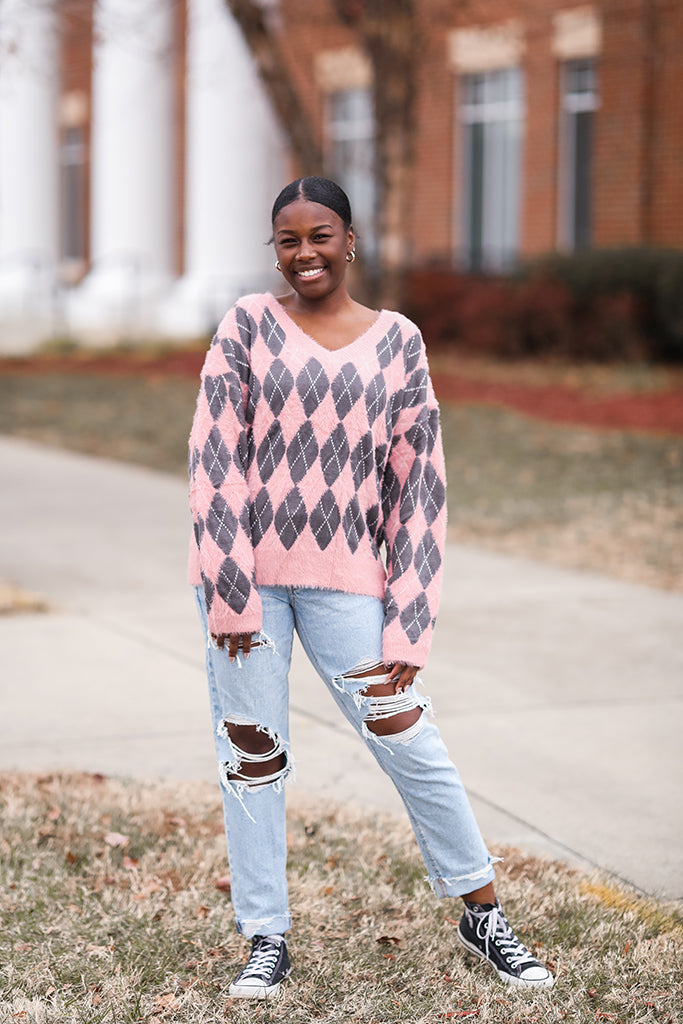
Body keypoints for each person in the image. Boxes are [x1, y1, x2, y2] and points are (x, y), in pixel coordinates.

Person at [188, 176, 554, 999]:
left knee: (410, 742)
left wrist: (408, 627)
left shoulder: (397, 342)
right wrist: (229, 594)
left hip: (348, 582)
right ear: (273, 250)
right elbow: (213, 462)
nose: (304, 253)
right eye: (288, 240)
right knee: (254, 759)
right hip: (249, 589)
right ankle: (265, 936)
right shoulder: (246, 326)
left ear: (348, 241)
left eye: (320, 235)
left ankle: (482, 913)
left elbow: (418, 488)